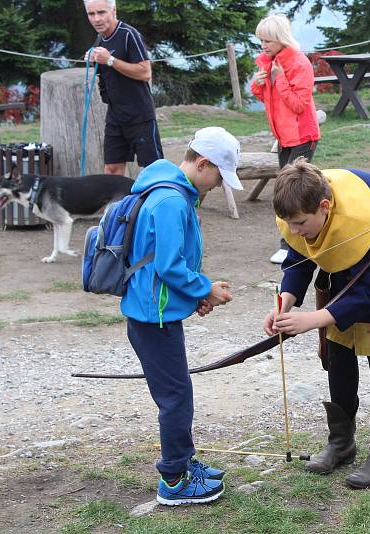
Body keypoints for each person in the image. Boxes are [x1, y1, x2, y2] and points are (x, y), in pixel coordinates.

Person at [263, 159, 370, 489]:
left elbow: (369, 291)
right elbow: (298, 259)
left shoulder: (363, 218)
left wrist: (312, 319)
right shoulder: (301, 215)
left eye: (300, 223)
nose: (295, 230)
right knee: (338, 346)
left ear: (324, 207)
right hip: (347, 258)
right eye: (290, 224)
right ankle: (341, 443)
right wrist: (286, 303)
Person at [122, 127, 244, 505]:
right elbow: (170, 266)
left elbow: (163, 268)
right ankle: (174, 480)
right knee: (176, 397)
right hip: (152, 319)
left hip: (154, 313)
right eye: (218, 177)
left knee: (177, 393)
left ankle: (185, 462)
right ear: (203, 163)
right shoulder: (173, 201)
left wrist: (195, 297)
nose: (216, 185)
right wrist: (203, 288)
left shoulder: (166, 190)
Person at [250, 14, 321, 265]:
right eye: (261, 41)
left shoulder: (299, 64)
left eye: (268, 40)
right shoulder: (269, 63)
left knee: (293, 190)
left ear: (281, 38)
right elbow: (270, 101)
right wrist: (259, 85)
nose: (264, 46)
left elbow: (299, 104)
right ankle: (294, 240)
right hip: (284, 137)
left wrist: (278, 79)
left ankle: (291, 245)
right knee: (287, 188)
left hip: (302, 135)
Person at [85, 0, 164, 175]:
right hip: (115, 115)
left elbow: (145, 72)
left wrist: (110, 61)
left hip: (140, 115)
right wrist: (93, 60)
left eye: (101, 12)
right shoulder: (100, 39)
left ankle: (157, 202)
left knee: (153, 170)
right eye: (91, 14)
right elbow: (106, 72)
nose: (97, 19)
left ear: (114, 11)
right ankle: (115, 203)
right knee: (112, 169)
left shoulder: (129, 34)